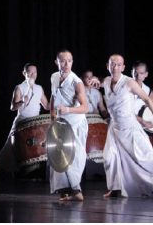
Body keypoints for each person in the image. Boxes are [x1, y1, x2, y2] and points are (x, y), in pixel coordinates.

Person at [101, 54, 153, 197]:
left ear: (123, 67)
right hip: (114, 128)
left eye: (118, 64)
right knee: (109, 157)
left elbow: (148, 100)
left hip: (130, 127)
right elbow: (100, 81)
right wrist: (94, 80)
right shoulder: (106, 81)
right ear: (108, 66)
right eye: (112, 64)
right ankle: (115, 188)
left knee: (147, 156)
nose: (115, 67)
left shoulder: (129, 83)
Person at [50, 50, 88, 201]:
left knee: (75, 156)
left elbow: (85, 107)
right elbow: (53, 98)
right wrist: (52, 119)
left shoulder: (76, 82)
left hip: (76, 123)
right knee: (57, 154)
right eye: (63, 61)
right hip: (61, 123)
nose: (66, 64)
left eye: (69, 61)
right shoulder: (54, 77)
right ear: (57, 62)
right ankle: (64, 189)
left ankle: (76, 187)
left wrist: (68, 109)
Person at [0, 63, 49, 173]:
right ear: (24, 73)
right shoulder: (19, 88)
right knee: (14, 148)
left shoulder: (39, 88)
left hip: (35, 122)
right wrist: (22, 101)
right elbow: (12, 107)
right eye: (30, 72)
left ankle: (34, 171)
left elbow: (47, 106)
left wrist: (57, 99)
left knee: (36, 148)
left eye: (35, 72)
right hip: (22, 121)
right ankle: (6, 171)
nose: (33, 74)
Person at [131, 60, 153, 130]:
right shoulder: (125, 86)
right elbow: (123, 112)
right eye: (135, 72)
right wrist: (142, 121)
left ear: (146, 74)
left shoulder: (147, 90)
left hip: (141, 126)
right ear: (132, 72)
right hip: (127, 123)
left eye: (141, 73)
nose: (138, 76)